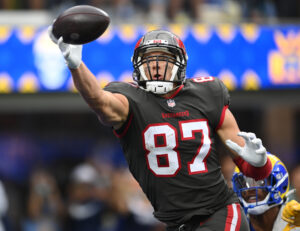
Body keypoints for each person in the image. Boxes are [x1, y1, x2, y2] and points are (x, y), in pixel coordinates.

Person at [48, 26, 273, 231]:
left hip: (218, 212)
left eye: (164, 59)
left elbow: (246, 163)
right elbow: (101, 102)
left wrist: (259, 164)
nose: (156, 66)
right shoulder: (131, 100)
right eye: (149, 59)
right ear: (137, 65)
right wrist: (75, 65)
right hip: (176, 223)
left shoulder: (208, 94)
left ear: (180, 63)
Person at [232, 153, 300, 231]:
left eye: (260, 182)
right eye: (245, 182)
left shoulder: (296, 221)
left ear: (278, 183)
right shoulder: (234, 224)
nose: (250, 189)